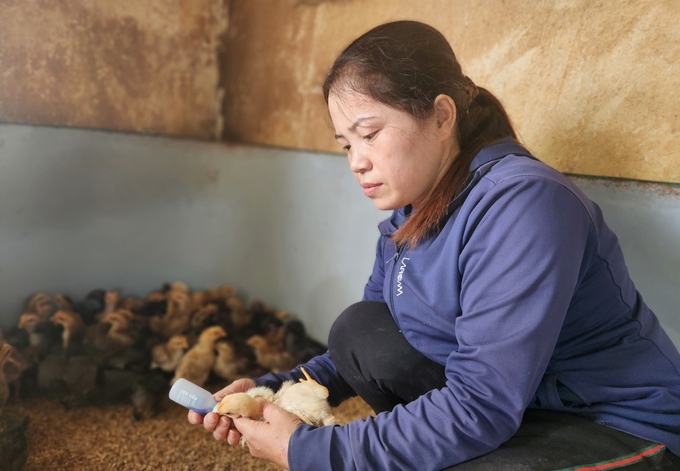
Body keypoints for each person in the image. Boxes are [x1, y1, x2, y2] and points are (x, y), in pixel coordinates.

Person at [188, 20, 680, 470]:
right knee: (360, 330)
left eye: (370, 134)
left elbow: (482, 403)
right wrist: (275, 391)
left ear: (442, 116)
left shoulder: (526, 204)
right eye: (346, 144)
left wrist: (311, 452)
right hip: (519, 408)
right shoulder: (413, 210)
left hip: (610, 423)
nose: (356, 161)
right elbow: (367, 338)